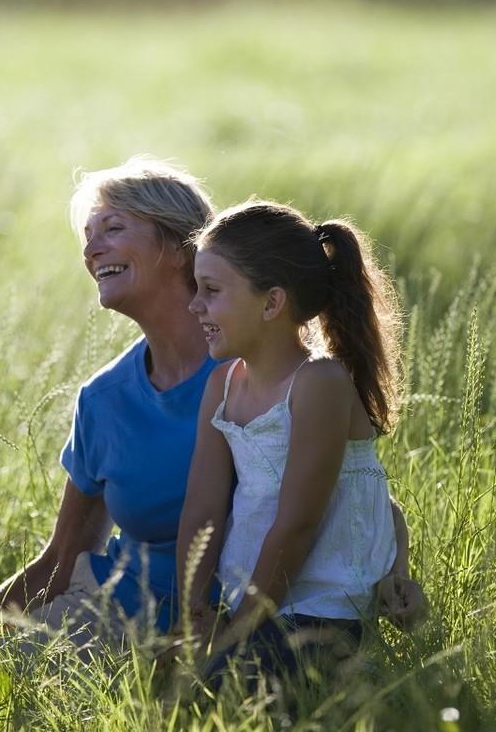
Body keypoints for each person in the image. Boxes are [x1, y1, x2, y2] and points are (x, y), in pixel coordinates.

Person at [0, 159, 423, 659]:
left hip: (250, 622)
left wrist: (395, 574)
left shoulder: (271, 368)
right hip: (122, 613)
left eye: (112, 228)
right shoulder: (107, 398)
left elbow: (351, 492)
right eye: (87, 235)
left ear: (180, 247)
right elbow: (61, 559)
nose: (90, 249)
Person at [172, 198, 413, 687]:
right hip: (254, 605)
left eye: (211, 290)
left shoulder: (319, 382)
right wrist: (193, 610)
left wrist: (235, 634)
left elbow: (296, 526)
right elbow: (202, 508)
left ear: (271, 303)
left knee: (230, 691)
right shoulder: (222, 386)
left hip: (322, 614)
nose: (195, 305)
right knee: (174, 683)